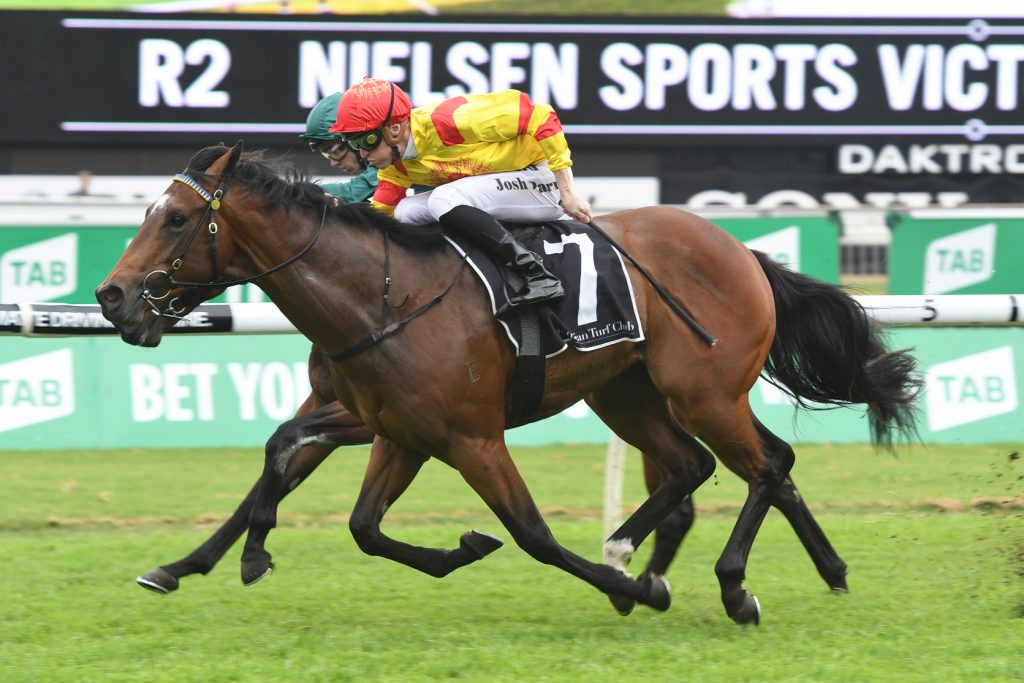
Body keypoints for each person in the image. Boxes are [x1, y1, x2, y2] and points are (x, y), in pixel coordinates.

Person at [329, 78, 593, 311]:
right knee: (405, 212)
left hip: (541, 179)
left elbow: (542, 116)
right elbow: (378, 218)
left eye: (364, 141)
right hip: (503, 187)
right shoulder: (395, 168)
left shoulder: (450, 121)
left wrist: (568, 193)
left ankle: (535, 273)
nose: (362, 154)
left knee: (443, 199)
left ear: (394, 129)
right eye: (353, 144)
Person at [299, 92, 378, 204]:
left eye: (336, 150)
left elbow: (352, 193)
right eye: (326, 154)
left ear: (355, 137)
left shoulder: (390, 155)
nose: (333, 163)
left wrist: (297, 192)